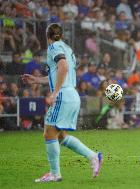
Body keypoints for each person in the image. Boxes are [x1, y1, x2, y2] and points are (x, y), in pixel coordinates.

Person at [21, 23, 103, 182]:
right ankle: (93, 156)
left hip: (63, 95)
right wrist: (37, 80)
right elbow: (60, 72)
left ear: (47, 36)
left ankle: (54, 174)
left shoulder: (53, 48)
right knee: (60, 135)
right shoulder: (68, 49)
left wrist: (55, 92)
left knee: (49, 132)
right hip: (72, 94)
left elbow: (63, 67)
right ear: (62, 35)